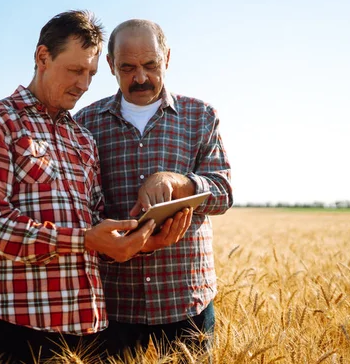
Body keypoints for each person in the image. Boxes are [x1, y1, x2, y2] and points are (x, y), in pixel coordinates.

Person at [0, 11, 165, 364]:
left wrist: (136, 241)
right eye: (75, 70)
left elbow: (95, 222)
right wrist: (84, 239)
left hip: (84, 325)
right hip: (18, 324)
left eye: (91, 74)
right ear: (42, 57)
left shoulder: (82, 137)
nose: (84, 84)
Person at [75, 19, 233, 360]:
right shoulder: (85, 123)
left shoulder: (201, 116)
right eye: (128, 68)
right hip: (115, 301)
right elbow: (81, 210)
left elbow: (223, 192)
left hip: (185, 298)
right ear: (110, 66)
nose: (141, 78)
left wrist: (178, 181)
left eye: (151, 65)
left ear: (168, 58)